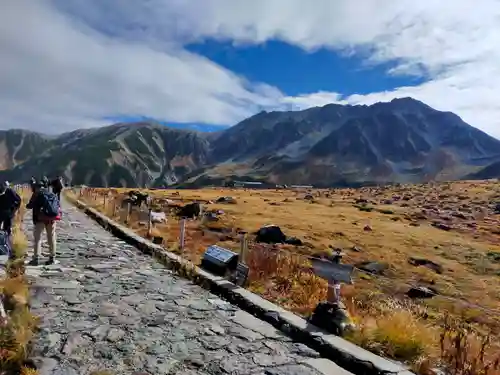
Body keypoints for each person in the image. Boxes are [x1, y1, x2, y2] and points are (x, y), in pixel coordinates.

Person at [26, 180, 61, 266]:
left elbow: (29, 206)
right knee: (51, 237)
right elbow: (58, 205)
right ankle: (52, 258)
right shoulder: (51, 193)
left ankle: (36, 258)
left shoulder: (36, 194)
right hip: (51, 219)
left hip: (39, 219)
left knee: (38, 238)